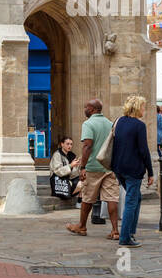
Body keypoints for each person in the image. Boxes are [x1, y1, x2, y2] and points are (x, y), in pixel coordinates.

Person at [66, 99, 121, 240]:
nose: (84, 109)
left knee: (88, 198)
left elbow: (87, 146)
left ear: (91, 109)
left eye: (86, 107)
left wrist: (83, 166)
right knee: (111, 198)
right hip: (108, 167)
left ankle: (82, 226)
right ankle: (115, 231)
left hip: (93, 166)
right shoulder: (110, 124)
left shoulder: (88, 124)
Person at [111, 95, 155, 247]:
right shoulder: (139, 125)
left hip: (118, 167)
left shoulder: (119, 121)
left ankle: (130, 231)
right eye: (143, 107)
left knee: (136, 198)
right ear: (137, 108)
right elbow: (144, 150)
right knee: (131, 201)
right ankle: (125, 237)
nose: (144, 110)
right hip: (132, 168)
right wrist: (150, 171)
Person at [49, 136, 80, 201]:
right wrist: (70, 166)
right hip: (58, 181)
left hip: (68, 180)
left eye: (71, 144)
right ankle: (72, 196)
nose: (70, 146)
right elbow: (58, 171)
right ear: (62, 144)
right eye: (67, 144)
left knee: (84, 180)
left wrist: (79, 166)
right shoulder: (57, 155)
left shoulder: (72, 155)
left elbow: (74, 174)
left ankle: (78, 199)